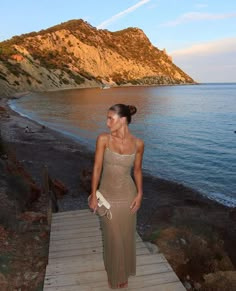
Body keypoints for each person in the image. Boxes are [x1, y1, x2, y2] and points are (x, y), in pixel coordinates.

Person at [88, 104, 144, 289]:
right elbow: (96, 168)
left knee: (126, 235)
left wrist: (140, 194)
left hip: (128, 196)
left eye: (110, 118)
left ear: (122, 120)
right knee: (113, 237)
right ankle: (115, 273)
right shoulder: (103, 139)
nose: (107, 122)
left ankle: (123, 271)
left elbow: (137, 171)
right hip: (107, 196)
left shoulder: (138, 144)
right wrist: (94, 194)